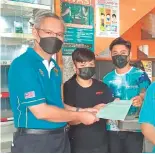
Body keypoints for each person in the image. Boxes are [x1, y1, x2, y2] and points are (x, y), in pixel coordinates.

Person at [8, 13, 99, 153]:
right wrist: (79, 116)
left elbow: (57, 104)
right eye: (49, 32)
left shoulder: (55, 68)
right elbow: (41, 111)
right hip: (34, 142)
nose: (55, 38)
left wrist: (84, 110)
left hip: (60, 138)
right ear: (35, 32)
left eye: (59, 34)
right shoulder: (23, 65)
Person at [103, 37, 151, 153]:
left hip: (134, 128)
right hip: (112, 128)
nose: (119, 56)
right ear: (111, 55)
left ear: (129, 54)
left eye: (123, 53)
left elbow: (147, 93)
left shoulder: (140, 75)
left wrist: (141, 98)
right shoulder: (107, 79)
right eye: (115, 53)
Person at [64, 48, 114, 153]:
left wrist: (117, 106)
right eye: (82, 65)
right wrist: (90, 112)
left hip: (101, 143)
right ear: (75, 67)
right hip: (76, 145)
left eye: (91, 65)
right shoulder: (67, 87)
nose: (87, 68)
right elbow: (68, 119)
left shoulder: (102, 87)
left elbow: (109, 114)